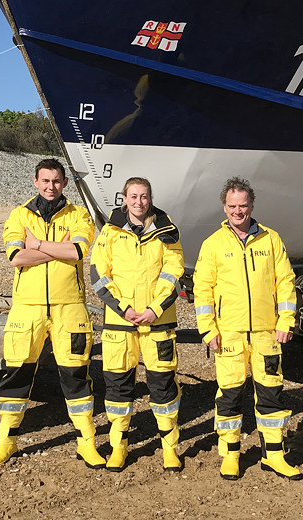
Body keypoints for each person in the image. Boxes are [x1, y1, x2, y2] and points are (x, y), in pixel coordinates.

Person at [0, 158, 102, 469]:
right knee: (16, 376)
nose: (51, 187)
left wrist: (36, 244)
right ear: (35, 182)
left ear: (64, 183)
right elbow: (16, 256)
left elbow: (77, 251)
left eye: (56, 181)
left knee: (77, 376)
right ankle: (5, 443)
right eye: (45, 181)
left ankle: (87, 443)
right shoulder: (18, 215)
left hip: (70, 307)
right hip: (27, 308)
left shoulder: (79, 215)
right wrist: (52, 247)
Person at [193, 177, 303, 482]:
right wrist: (208, 330)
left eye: (243, 205)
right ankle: (230, 456)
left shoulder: (270, 239)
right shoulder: (213, 244)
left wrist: (286, 321)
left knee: (271, 395)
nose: (238, 211)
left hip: (267, 334)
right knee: (229, 397)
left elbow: (285, 283)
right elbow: (201, 291)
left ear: (252, 206)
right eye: (232, 206)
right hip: (228, 335)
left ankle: (274, 456)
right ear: (224, 207)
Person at [90, 177, 185, 472]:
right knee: (118, 388)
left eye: (144, 196)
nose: (139, 202)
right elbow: (98, 273)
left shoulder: (167, 232)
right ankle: (119, 447)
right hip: (120, 324)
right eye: (133, 196)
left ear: (150, 198)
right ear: (124, 198)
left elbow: (175, 272)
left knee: (163, 387)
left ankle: (170, 448)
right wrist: (124, 309)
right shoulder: (110, 231)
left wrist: (154, 309)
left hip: (158, 323)